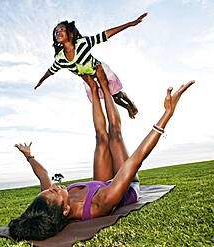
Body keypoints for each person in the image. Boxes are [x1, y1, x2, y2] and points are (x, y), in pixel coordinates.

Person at [10, 66, 195, 240]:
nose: (53, 187)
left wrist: (29, 156)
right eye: (53, 192)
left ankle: (93, 86)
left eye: (47, 190)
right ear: (65, 210)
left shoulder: (51, 201)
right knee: (114, 134)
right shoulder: (100, 204)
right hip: (126, 185)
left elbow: (42, 175)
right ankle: (104, 87)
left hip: (102, 182)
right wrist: (167, 114)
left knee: (101, 138)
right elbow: (135, 160)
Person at [34, 13, 148, 119]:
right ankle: (127, 107)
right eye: (56, 31)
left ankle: (129, 102)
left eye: (62, 29)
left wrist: (130, 24)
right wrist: (41, 80)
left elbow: (104, 35)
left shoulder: (83, 43)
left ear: (71, 34)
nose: (58, 32)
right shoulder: (60, 58)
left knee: (115, 93)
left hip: (99, 70)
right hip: (88, 78)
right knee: (112, 97)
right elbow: (51, 70)